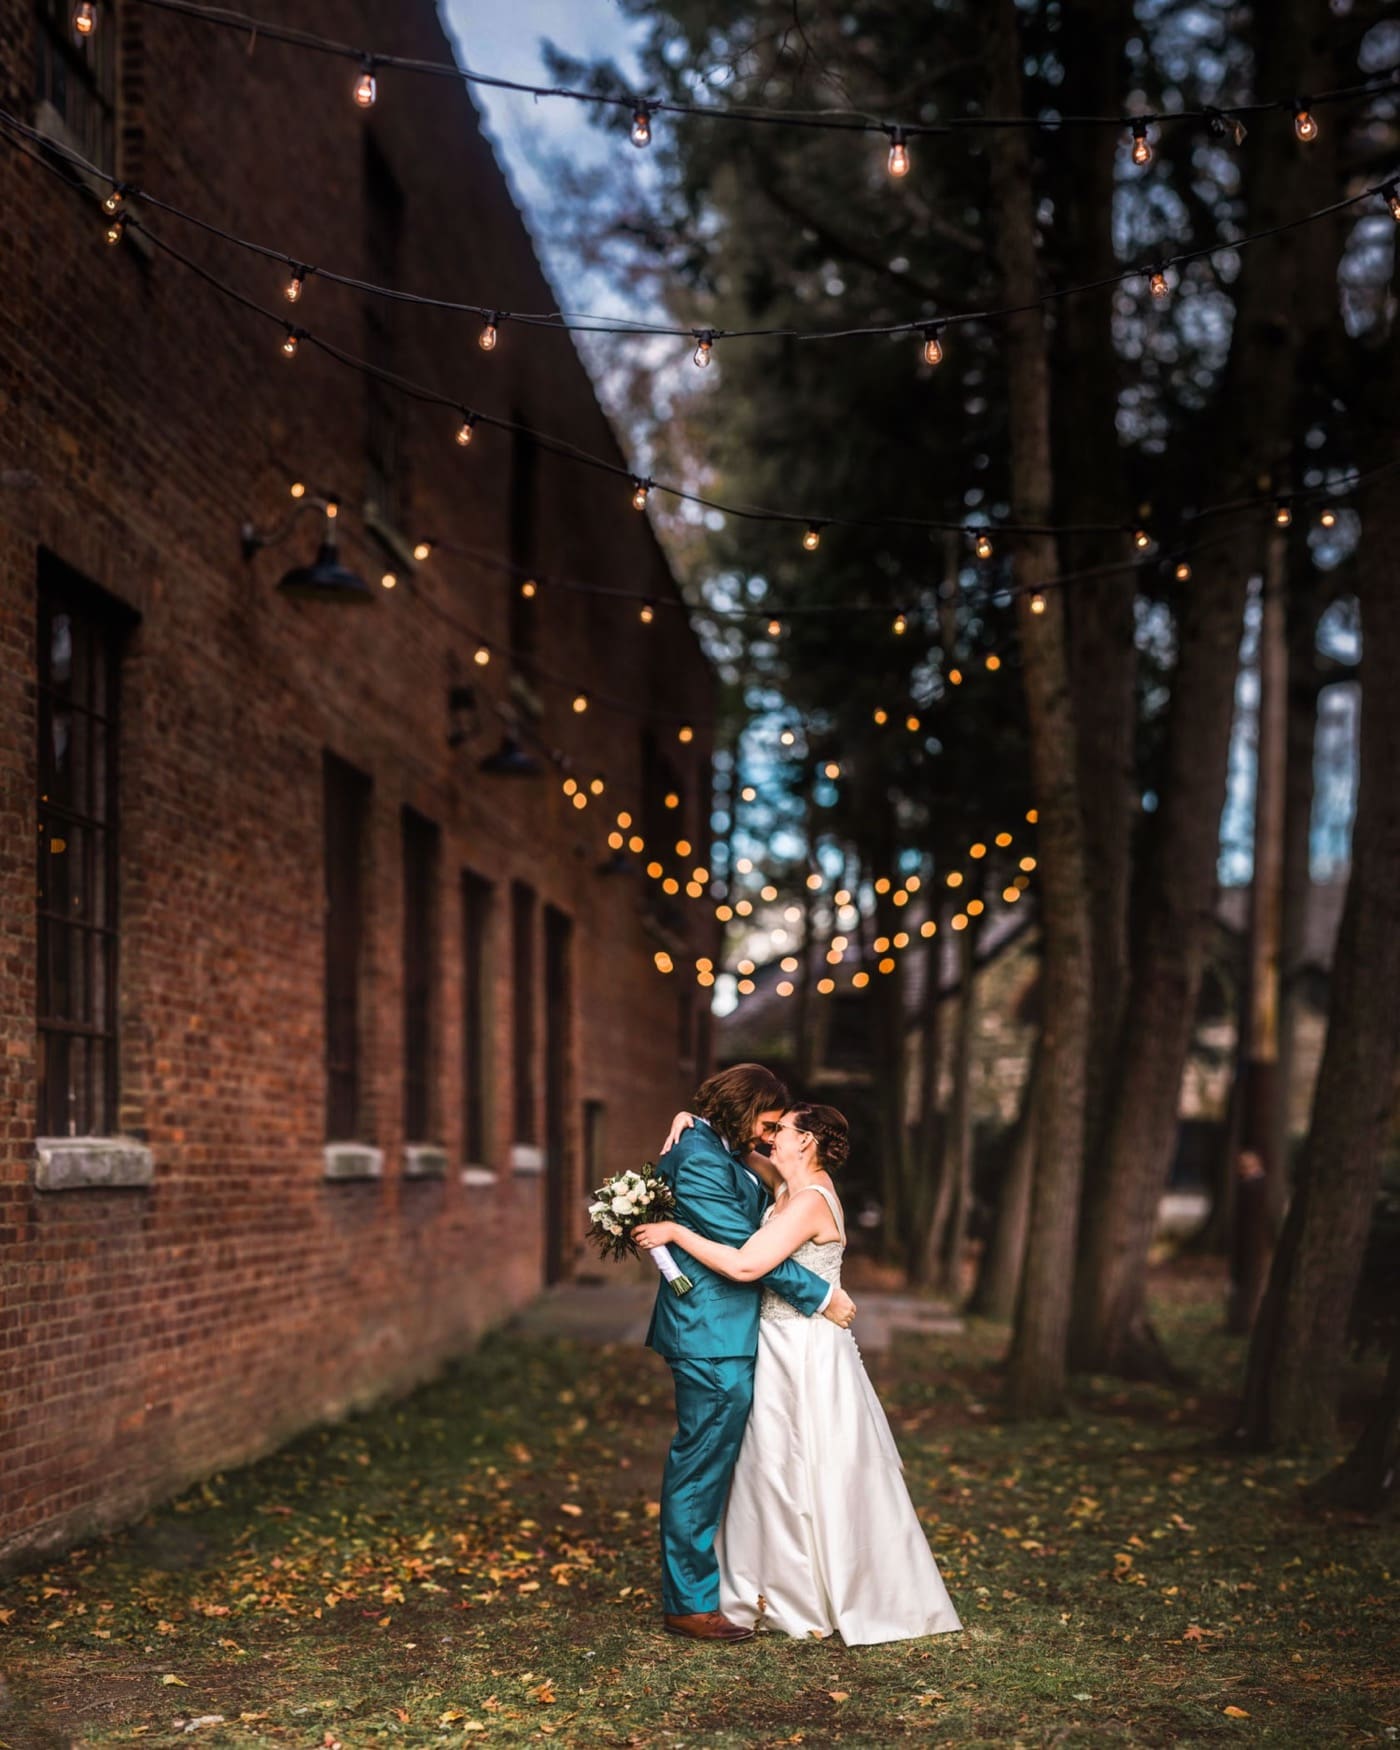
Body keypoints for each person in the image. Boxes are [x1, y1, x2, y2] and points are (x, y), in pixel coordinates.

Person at [637, 1101, 962, 1647]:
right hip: (774, 1341)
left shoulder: (811, 1199)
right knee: (774, 1467)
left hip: (806, 1348)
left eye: (779, 1130)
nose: (768, 1138)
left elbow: (746, 1265)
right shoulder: (783, 1188)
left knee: (817, 1464)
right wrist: (688, 1117)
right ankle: (781, 1583)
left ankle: (833, 1586)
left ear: (806, 1141)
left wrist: (673, 1230)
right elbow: (719, 1142)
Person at [644, 1064, 858, 1644]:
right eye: (765, 1123)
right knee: (700, 1464)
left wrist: (691, 1120)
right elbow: (745, 1249)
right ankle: (688, 1603)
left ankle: (745, 1580)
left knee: (730, 1462)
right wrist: (821, 1295)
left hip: (730, 1330)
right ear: (742, 1112)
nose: (767, 1137)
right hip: (711, 1332)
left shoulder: (713, 1147)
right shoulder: (701, 1159)